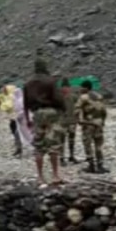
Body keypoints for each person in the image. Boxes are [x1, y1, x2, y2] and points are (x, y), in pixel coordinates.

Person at [23, 58, 66, 187]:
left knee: (39, 145)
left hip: (37, 113)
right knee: (53, 144)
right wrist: (63, 110)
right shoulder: (51, 81)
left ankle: (40, 177)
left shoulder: (28, 83)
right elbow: (58, 98)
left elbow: (25, 104)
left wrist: (27, 119)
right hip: (52, 112)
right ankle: (55, 175)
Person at [75, 80, 109, 174]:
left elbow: (76, 109)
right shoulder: (99, 96)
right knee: (98, 145)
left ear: (86, 88)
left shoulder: (83, 97)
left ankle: (91, 166)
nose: (80, 89)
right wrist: (103, 122)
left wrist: (78, 120)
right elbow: (104, 111)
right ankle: (100, 165)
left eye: (81, 87)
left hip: (88, 124)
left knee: (87, 144)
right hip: (98, 123)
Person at [59, 78, 79, 166]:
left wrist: (77, 118)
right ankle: (61, 158)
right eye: (64, 87)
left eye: (67, 87)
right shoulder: (58, 97)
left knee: (72, 139)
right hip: (62, 122)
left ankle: (71, 156)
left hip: (72, 121)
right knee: (61, 140)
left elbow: (78, 106)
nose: (66, 89)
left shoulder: (73, 96)